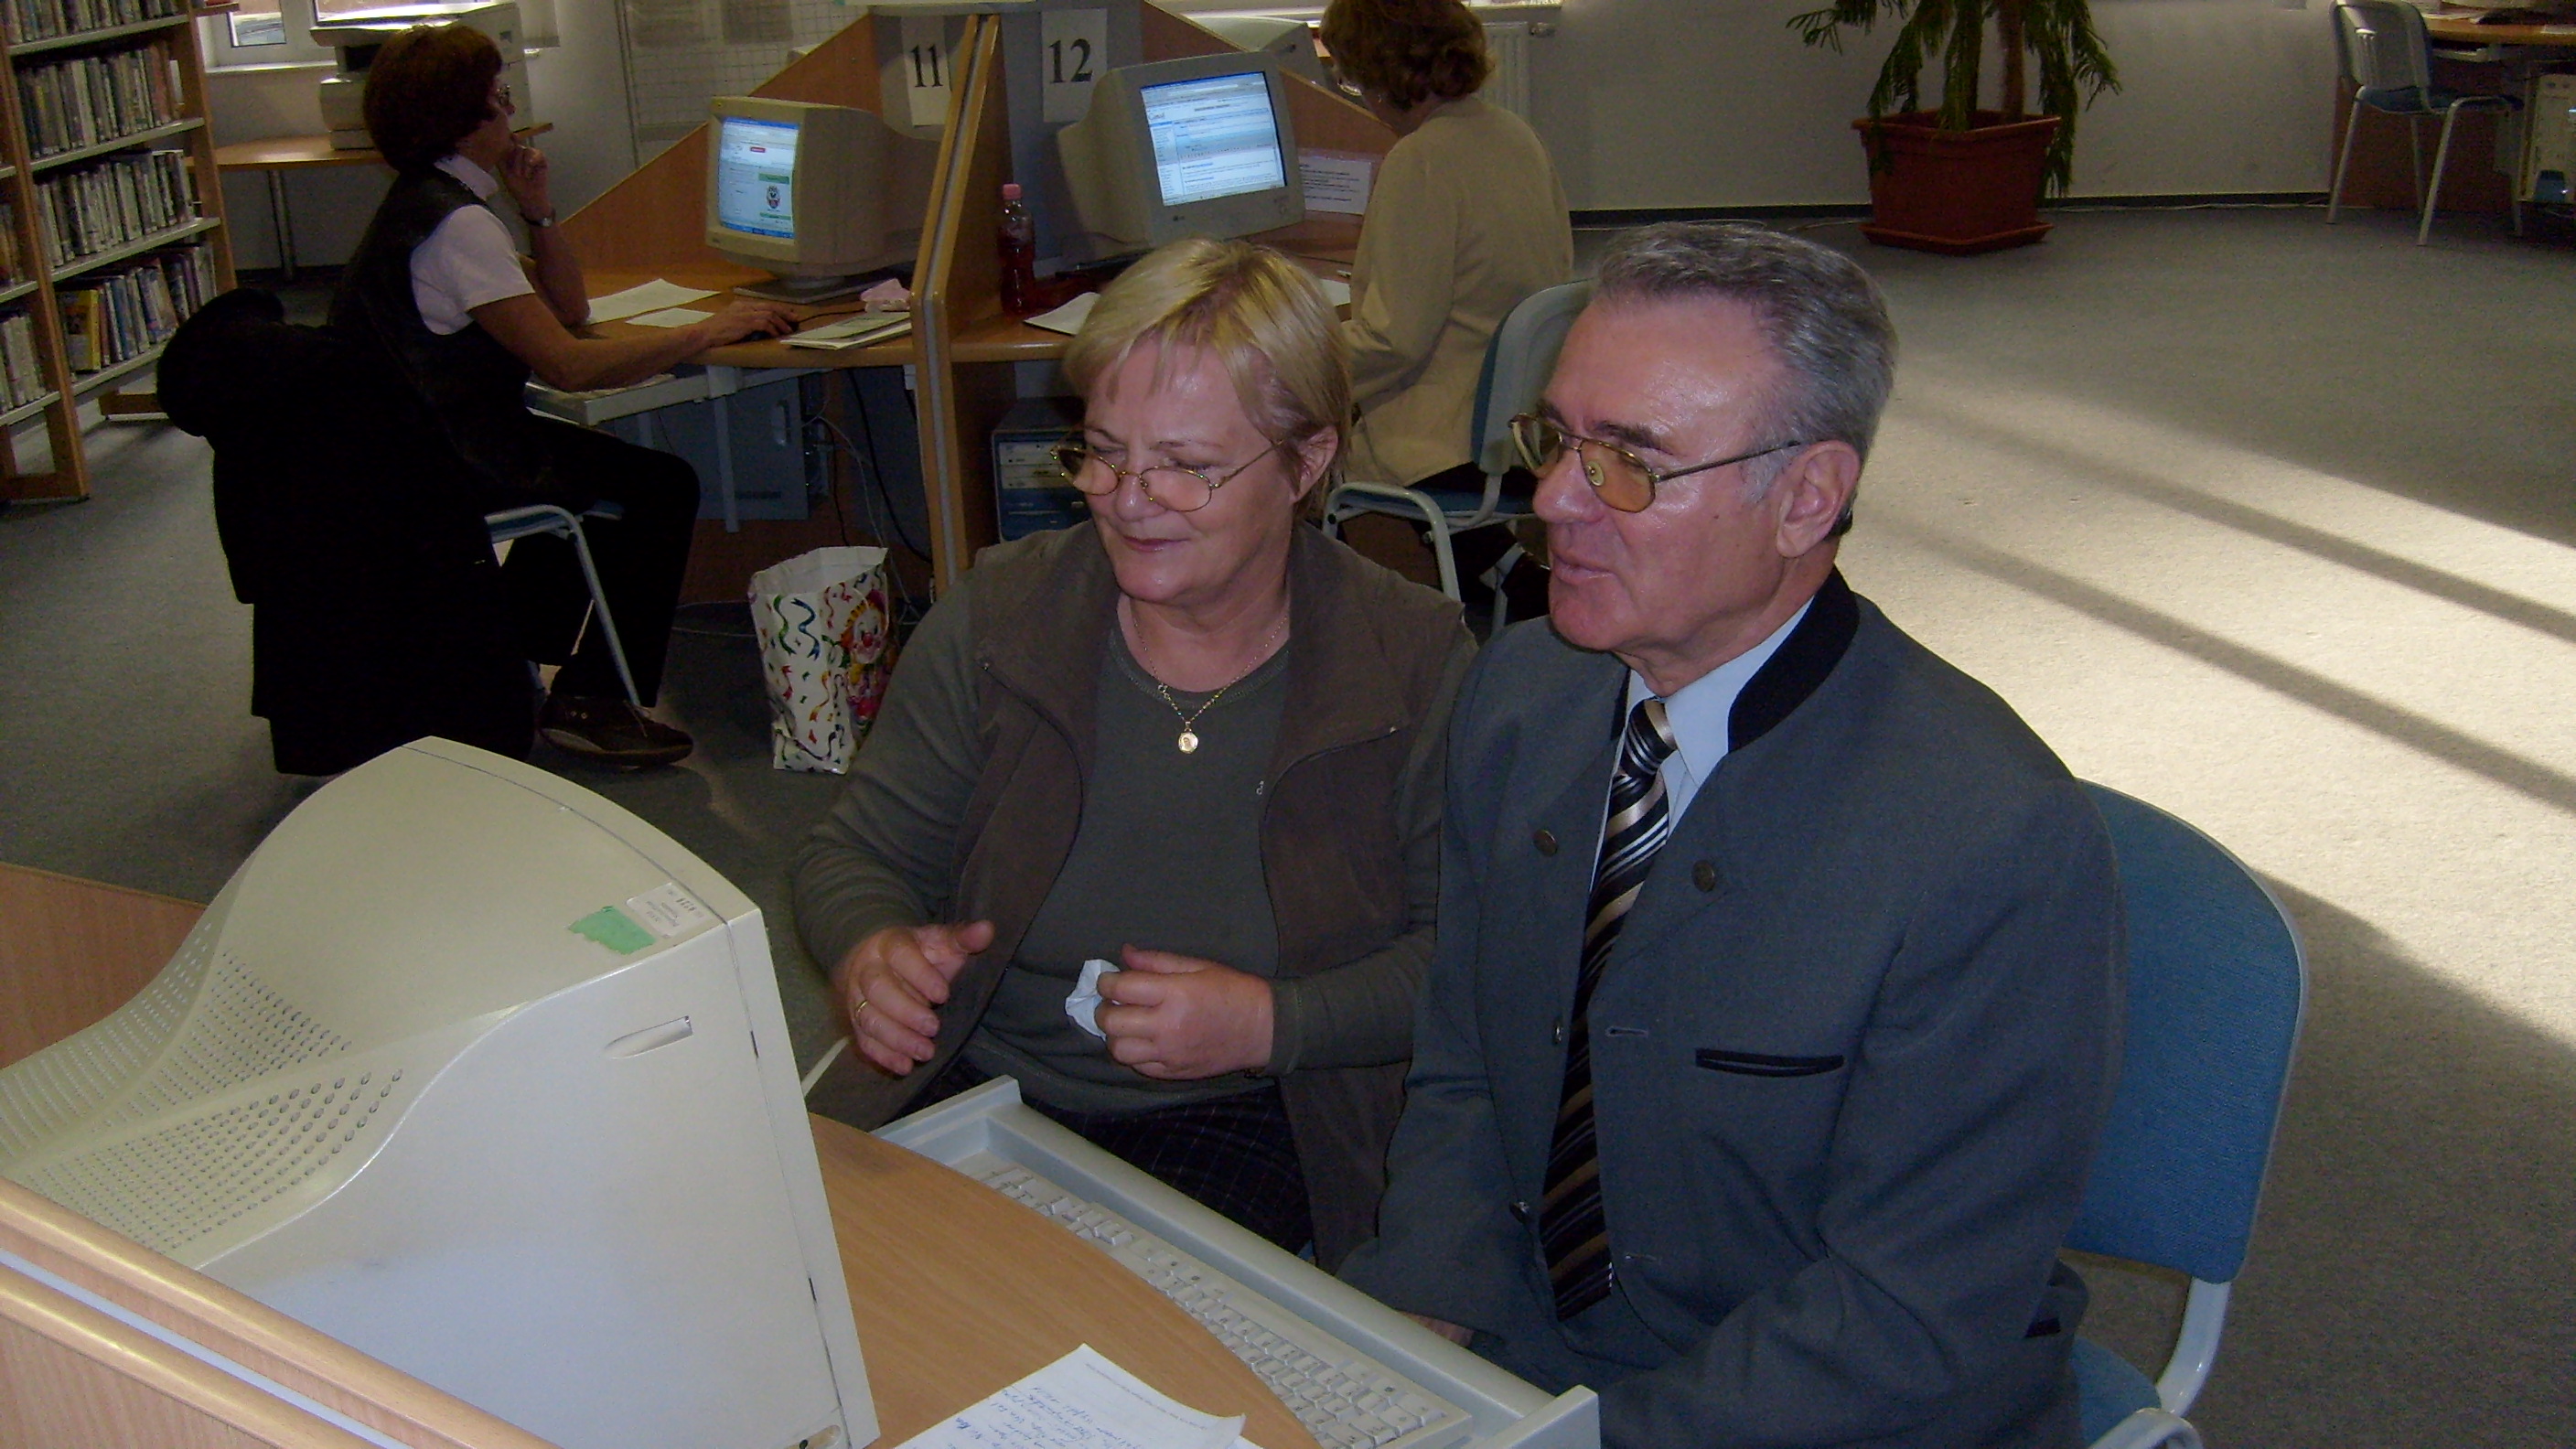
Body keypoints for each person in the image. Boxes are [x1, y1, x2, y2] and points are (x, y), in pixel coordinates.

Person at [1337, 223, 2123, 1448]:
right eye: (1557, 439)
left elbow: (1909, 1309)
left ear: (1806, 498)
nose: (1551, 501)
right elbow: (1468, 1062)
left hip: (1848, 1411)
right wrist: (1417, 1317)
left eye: (1629, 463)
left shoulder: (1991, 842)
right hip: (1539, 1349)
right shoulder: (1524, 695)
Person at [791, 239, 1473, 1269]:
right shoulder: (1003, 618)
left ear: (1306, 463)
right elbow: (855, 855)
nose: (1125, 496)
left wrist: (1269, 1023)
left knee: (1112, 1336)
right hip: (984, 1073)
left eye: (1187, 466)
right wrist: (870, 950)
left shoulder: (1409, 661)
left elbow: (1463, 960)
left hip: (1252, 1107)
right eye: (1103, 451)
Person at [331, 24, 797, 767]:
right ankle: (595, 699)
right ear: (467, 119)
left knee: (594, 476)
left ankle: (513, 657)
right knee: (658, 486)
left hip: (418, 446)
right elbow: (569, 365)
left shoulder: (430, 204)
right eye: (499, 96)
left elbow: (569, 308)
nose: (510, 109)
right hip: (441, 462)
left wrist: (539, 211)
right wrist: (706, 332)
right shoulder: (457, 226)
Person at [1320, 0, 1571, 496]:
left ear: (1379, 75)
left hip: (1441, 437)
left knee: (1289, 457)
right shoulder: (1513, 133)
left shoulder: (1421, 158)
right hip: (1518, 424)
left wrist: (1294, 359)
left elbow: (1394, 342)